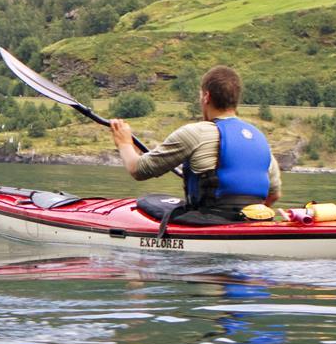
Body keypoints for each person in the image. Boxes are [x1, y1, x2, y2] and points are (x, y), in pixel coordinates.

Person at [108, 66, 281, 226]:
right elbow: (274, 194)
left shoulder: (195, 133)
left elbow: (138, 169)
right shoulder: (259, 138)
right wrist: (248, 218)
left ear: (206, 97)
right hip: (251, 222)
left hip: (209, 222)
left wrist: (124, 143)